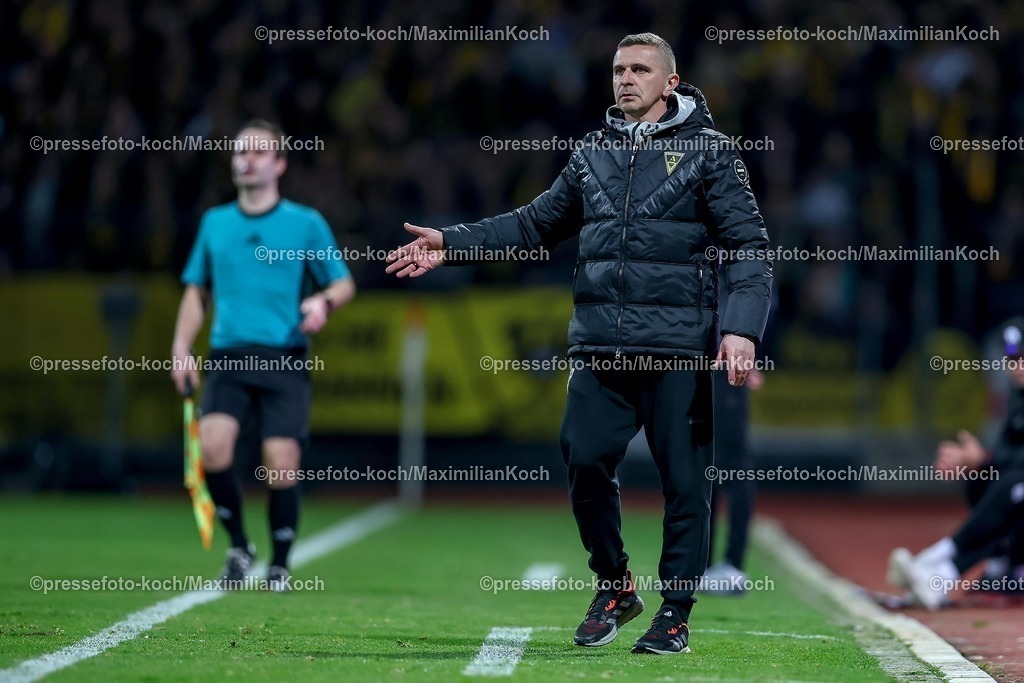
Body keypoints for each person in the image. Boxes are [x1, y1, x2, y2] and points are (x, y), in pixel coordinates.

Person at [386, 33, 772, 654]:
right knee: (583, 458)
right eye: (618, 69)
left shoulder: (713, 153)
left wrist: (741, 328)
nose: (626, 79)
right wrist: (451, 243)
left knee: (686, 484)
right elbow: (535, 224)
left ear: (670, 82)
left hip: (677, 348)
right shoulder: (591, 152)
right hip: (601, 348)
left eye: (641, 70)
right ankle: (616, 585)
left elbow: (750, 248)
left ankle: (674, 614)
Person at [171, 120, 355, 592]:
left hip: (283, 357)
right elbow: (196, 291)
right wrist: (180, 348)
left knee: (281, 461)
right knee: (212, 448)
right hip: (229, 354)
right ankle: (239, 546)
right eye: (239, 152)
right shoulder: (216, 223)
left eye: (257, 152)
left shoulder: (305, 223)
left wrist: (323, 301)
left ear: (279, 164)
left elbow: (342, 282)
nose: (245, 160)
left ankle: (280, 562)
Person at [888, 320, 1024, 609]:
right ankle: (949, 574)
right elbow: (1007, 451)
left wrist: (987, 459)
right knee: (986, 477)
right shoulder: (1018, 397)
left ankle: (934, 559)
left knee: (1015, 483)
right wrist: (977, 460)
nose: (1017, 366)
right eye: (1012, 359)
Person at [702, 366, 763, 596]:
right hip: (697, 367)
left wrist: (750, 355)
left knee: (733, 466)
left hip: (725, 367)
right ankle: (701, 565)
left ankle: (732, 565)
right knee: (703, 466)